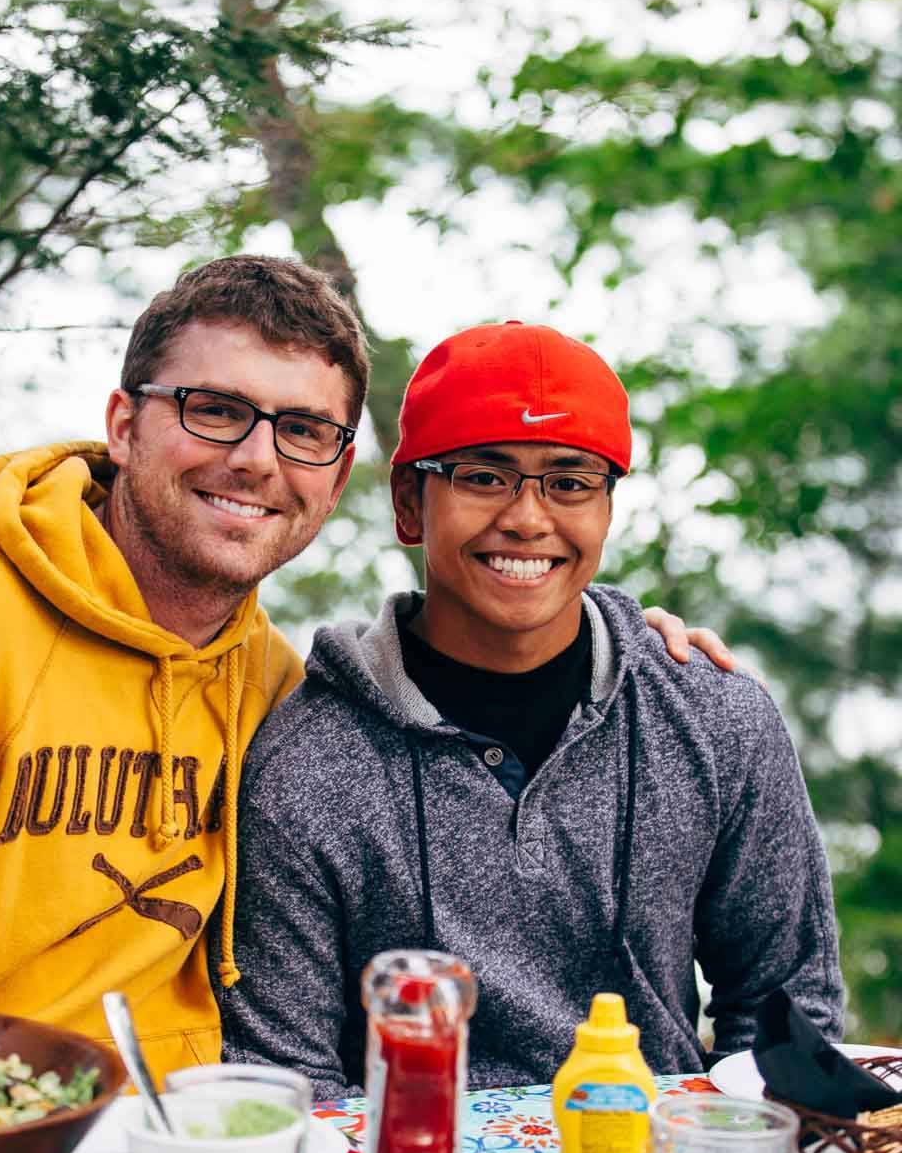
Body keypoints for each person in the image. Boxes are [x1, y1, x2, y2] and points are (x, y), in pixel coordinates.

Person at [0, 263, 727, 1076]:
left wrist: (621, 638)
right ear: (123, 423)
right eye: (214, 409)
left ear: (336, 477)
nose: (256, 459)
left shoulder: (274, 689)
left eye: (304, 430)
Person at [216, 320, 843, 1095]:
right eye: (484, 476)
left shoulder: (715, 717)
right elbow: (290, 1085)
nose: (528, 517)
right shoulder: (303, 764)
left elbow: (788, 1015)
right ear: (410, 503)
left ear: (606, 511)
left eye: (570, 481)